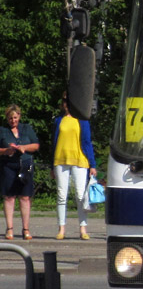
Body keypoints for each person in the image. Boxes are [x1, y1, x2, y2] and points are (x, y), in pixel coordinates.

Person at [51, 93, 97, 240]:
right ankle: (61, 228)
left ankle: (83, 228)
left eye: (69, 101)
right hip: (61, 159)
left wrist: (92, 164)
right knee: (61, 195)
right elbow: (54, 142)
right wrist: (52, 164)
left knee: (80, 195)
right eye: (64, 101)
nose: (66, 104)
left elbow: (87, 142)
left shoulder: (82, 120)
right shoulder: (58, 120)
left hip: (80, 159)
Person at [1, 104, 39, 241]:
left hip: (25, 164)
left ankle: (26, 228)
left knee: (25, 197)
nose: (13, 120)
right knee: (9, 197)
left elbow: (36, 145)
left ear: (19, 117)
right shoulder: (3, 131)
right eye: (11, 118)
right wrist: (6, 151)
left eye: (15, 118)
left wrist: (24, 147)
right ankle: (9, 228)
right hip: (8, 165)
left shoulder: (27, 129)